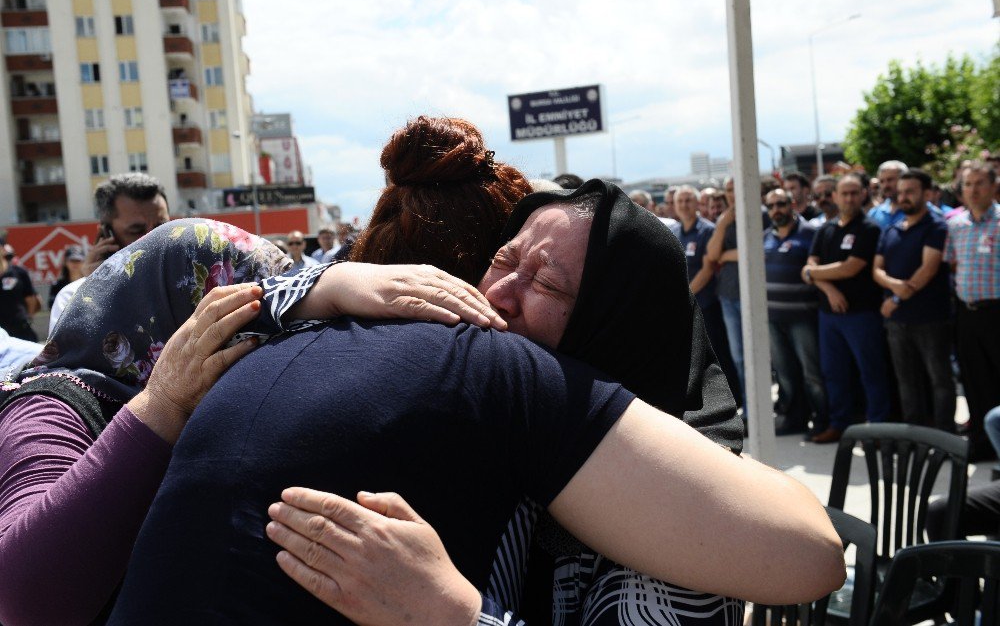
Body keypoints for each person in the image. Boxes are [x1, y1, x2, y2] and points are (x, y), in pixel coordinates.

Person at [110, 184, 842, 625]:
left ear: (615, 326)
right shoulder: (504, 417)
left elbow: (814, 559)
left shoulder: (677, 520)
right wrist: (333, 287)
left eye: (546, 285)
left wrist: (450, 614)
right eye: (503, 259)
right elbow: (212, 328)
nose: (498, 294)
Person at [0, 217, 503, 626]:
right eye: (239, 331)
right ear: (175, 323)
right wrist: (161, 406)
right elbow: (25, 599)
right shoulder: (50, 407)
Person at [803, 172, 890, 443]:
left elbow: (850, 267)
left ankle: (878, 428)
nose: (849, 198)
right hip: (829, 316)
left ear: (863, 194)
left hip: (862, 314)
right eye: (844, 193)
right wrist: (828, 288)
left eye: (855, 193)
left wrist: (815, 275)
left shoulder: (870, 228)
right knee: (834, 373)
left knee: (871, 372)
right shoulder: (825, 229)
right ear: (836, 197)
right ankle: (839, 425)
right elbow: (808, 267)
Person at [872, 168, 955, 431]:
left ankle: (944, 435)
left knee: (939, 380)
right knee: (906, 381)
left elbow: (927, 270)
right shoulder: (892, 229)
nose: (904, 197)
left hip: (930, 319)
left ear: (927, 194)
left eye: (911, 192)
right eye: (901, 192)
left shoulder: (937, 226)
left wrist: (895, 297)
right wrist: (897, 288)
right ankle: (915, 435)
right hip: (897, 322)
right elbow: (876, 270)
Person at [49, 173, 171, 333]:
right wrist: (96, 293)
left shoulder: (198, 280)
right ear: (106, 234)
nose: (154, 238)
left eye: (162, 227)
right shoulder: (71, 299)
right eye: (137, 230)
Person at [944, 163, 1000, 462]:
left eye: (980, 183)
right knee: (974, 381)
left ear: (994, 186)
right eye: (968, 184)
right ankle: (980, 442)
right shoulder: (956, 225)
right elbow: (953, 264)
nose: (974, 190)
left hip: (997, 312)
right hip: (968, 314)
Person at [672, 185, 743, 410]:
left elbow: (709, 267)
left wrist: (687, 294)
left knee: (720, 357)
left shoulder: (707, 230)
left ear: (697, 204)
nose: (684, 205)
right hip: (685, 307)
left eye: (688, 200)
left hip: (707, 305)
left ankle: (733, 403)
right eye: (680, 201)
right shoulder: (674, 232)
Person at [762, 188, 826, 436]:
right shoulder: (764, 236)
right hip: (773, 317)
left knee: (812, 373)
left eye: (781, 203)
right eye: (771, 206)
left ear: (792, 204)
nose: (776, 209)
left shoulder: (810, 233)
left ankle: (822, 420)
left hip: (803, 316)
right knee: (785, 373)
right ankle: (795, 419)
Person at [706, 177, 746, 416]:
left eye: (735, 188)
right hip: (728, 296)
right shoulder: (725, 219)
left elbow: (756, 249)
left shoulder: (759, 212)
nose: (732, 194)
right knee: (738, 357)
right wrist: (722, 224)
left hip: (749, 297)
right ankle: (747, 409)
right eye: (729, 190)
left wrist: (727, 254)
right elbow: (713, 254)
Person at [868, 160, 944, 230]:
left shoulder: (931, 213)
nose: (885, 185)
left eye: (890, 180)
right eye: (881, 181)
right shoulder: (874, 214)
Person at [0, 244, 40, 341]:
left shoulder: (19, 273)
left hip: (20, 329)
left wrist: (29, 318)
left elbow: (31, 299)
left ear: (2, 250)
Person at [47, 245, 85, 309]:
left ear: (84, 262)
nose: (75, 264)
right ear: (65, 262)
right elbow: (53, 306)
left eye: (78, 260)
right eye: (72, 260)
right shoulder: (57, 286)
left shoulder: (90, 282)